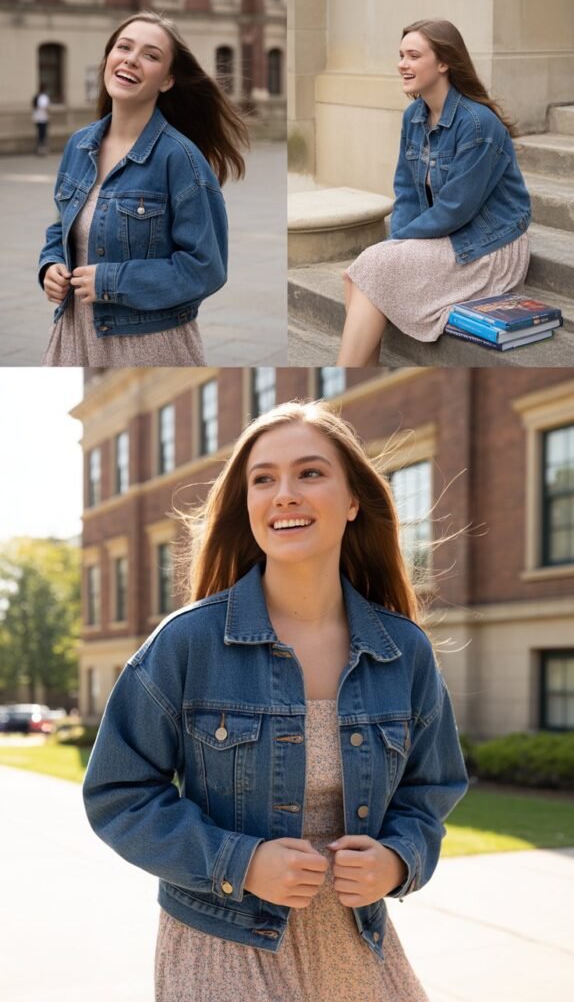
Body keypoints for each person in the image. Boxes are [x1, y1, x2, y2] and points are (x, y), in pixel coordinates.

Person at [83, 400, 468, 1002]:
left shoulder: (404, 651)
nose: (284, 493)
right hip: (223, 945)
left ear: (352, 500)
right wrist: (239, 862)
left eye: (310, 473)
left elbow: (432, 789)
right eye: (263, 479)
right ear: (248, 506)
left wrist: (397, 860)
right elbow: (118, 793)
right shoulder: (187, 643)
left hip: (355, 942)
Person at [38, 11, 248, 367]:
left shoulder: (180, 159)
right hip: (72, 334)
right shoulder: (78, 145)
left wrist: (112, 279)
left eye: (150, 55)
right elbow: (60, 226)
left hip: (148, 342)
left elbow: (206, 267)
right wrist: (50, 265)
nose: (132, 59)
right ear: (108, 60)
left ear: (166, 80)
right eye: (124, 47)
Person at [338, 18, 531, 366]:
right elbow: (407, 192)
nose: (402, 64)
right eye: (401, 55)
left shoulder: (477, 124)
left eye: (413, 56)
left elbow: (456, 208)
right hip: (448, 234)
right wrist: (397, 244)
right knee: (361, 272)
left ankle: (344, 376)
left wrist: (397, 246)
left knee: (370, 267)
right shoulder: (414, 115)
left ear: (443, 63)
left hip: (489, 246)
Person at [32, 84, 50, 155]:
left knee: (40, 134)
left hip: (37, 118)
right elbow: (45, 107)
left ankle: (40, 148)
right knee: (42, 134)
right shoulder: (43, 97)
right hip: (43, 118)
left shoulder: (37, 97)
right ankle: (41, 149)